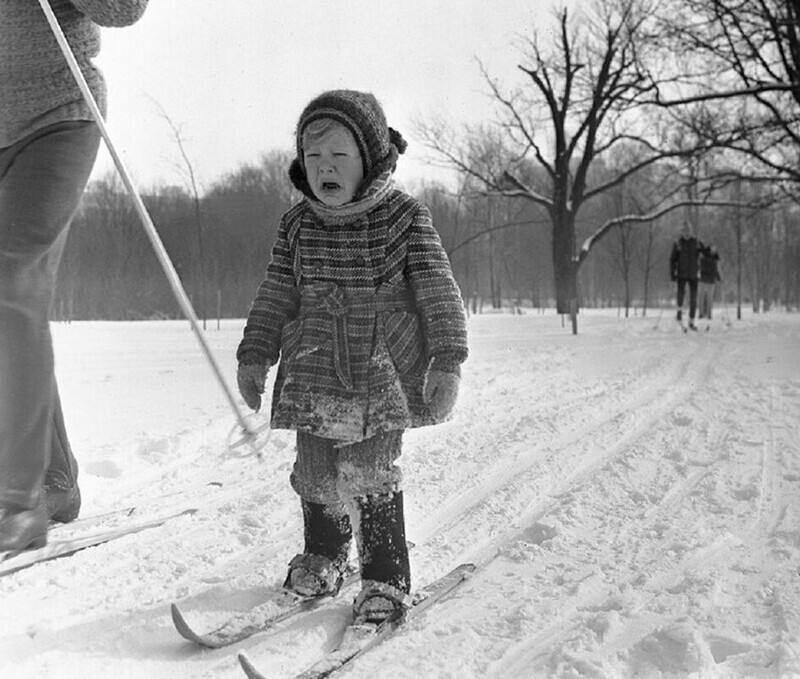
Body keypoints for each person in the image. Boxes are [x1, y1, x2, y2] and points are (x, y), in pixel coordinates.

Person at [236, 90, 468, 623]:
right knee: (315, 469)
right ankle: (325, 555)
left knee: (367, 469)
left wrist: (447, 358)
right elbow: (276, 292)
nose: (326, 169)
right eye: (314, 159)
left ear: (368, 158)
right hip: (314, 361)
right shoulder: (297, 225)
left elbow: (437, 288)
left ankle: (386, 577)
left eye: (339, 157)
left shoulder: (404, 217)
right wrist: (255, 353)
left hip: (378, 366)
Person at [0, 0, 150, 552]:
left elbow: (125, 9)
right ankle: (54, 479)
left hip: (58, 118)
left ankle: (18, 502)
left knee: (12, 281)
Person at [669, 221, 708, 331]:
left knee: (693, 299)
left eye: (688, 231)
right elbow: (672, 260)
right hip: (681, 274)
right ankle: (679, 314)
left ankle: (691, 321)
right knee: (680, 296)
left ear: (691, 231)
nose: (687, 233)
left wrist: (709, 250)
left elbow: (705, 253)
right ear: (682, 232)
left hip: (693, 274)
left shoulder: (696, 242)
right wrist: (672, 273)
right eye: (684, 231)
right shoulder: (678, 243)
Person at [698, 246, 722, 330]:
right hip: (710, 280)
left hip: (703, 279)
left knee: (701, 297)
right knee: (709, 298)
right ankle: (709, 314)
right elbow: (716, 270)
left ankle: (701, 313)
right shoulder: (715, 259)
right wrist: (719, 278)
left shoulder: (703, 256)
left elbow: (699, 266)